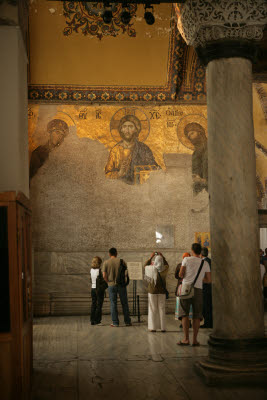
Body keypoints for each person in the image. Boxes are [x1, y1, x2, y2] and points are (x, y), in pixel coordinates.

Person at [105, 115, 159, 184]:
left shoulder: (143, 149)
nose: (127, 130)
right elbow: (107, 174)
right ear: (121, 129)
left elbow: (155, 169)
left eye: (130, 127)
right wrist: (119, 173)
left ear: (136, 129)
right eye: (124, 127)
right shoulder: (115, 151)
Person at [178, 243, 211, 346]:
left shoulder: (186, 260)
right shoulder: (204, 263)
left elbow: (181, 274)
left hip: (186, 289)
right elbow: (208, 280)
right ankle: (195, 340)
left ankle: (186, 339)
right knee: (197, 316)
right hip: (198, 290)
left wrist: (187, 277)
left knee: (184, 314)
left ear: (192, 250)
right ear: (200, 251)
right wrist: (200, 279)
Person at [102, 247, 131, 327]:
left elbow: (104, 275)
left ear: (109, 254)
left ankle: (115, 322)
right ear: (116, 253)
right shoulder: (122, 261)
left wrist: (108, 282)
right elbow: (126, 273)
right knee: (124, 303)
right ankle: (127, 321)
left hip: (111, 285)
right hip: (121, 285)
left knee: (113, 304)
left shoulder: (106, 262)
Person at [144, 252, 169, 332]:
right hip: (162, 291)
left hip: (152, 291)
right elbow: (166, 264)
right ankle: (163, 328)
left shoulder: (150, 268)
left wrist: (151, 257)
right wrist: (162, 256)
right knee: (162, 309)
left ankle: (153, 327)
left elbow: (145, 266)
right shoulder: (165, 269)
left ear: (155, 261)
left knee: (152, 309)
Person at [184, 122, 208, 194]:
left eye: (192, 133)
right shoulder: (195, 153)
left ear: (199, 132)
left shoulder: (210, 146)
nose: (191, 137)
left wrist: (204, 181)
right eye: (188, 136)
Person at [175, 252, 193, 326]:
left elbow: (176, 275)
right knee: (187, 305)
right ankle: (186, 321)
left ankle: (185, 322)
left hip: (183, 287)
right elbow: (176, 275)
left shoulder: (180, 265)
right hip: (187, 286)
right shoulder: (191, 265)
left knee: (182, 305)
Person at [90, 256, 106, 326]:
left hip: (92, 289)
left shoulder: (91, 270)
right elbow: (102, 281)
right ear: (99, 263)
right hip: (98, 289)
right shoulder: (99, 271)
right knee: (99, 305)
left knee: (93, 305)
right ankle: (97, 321)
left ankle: (92, 320)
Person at [200, 247, 213, 328]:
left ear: (201, 254)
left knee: (206, 306)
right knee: (208, 305)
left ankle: (208, 323)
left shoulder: (204, 262)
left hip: (206, 286)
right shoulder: (210, 261)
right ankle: (209, 322)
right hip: (209, 286)